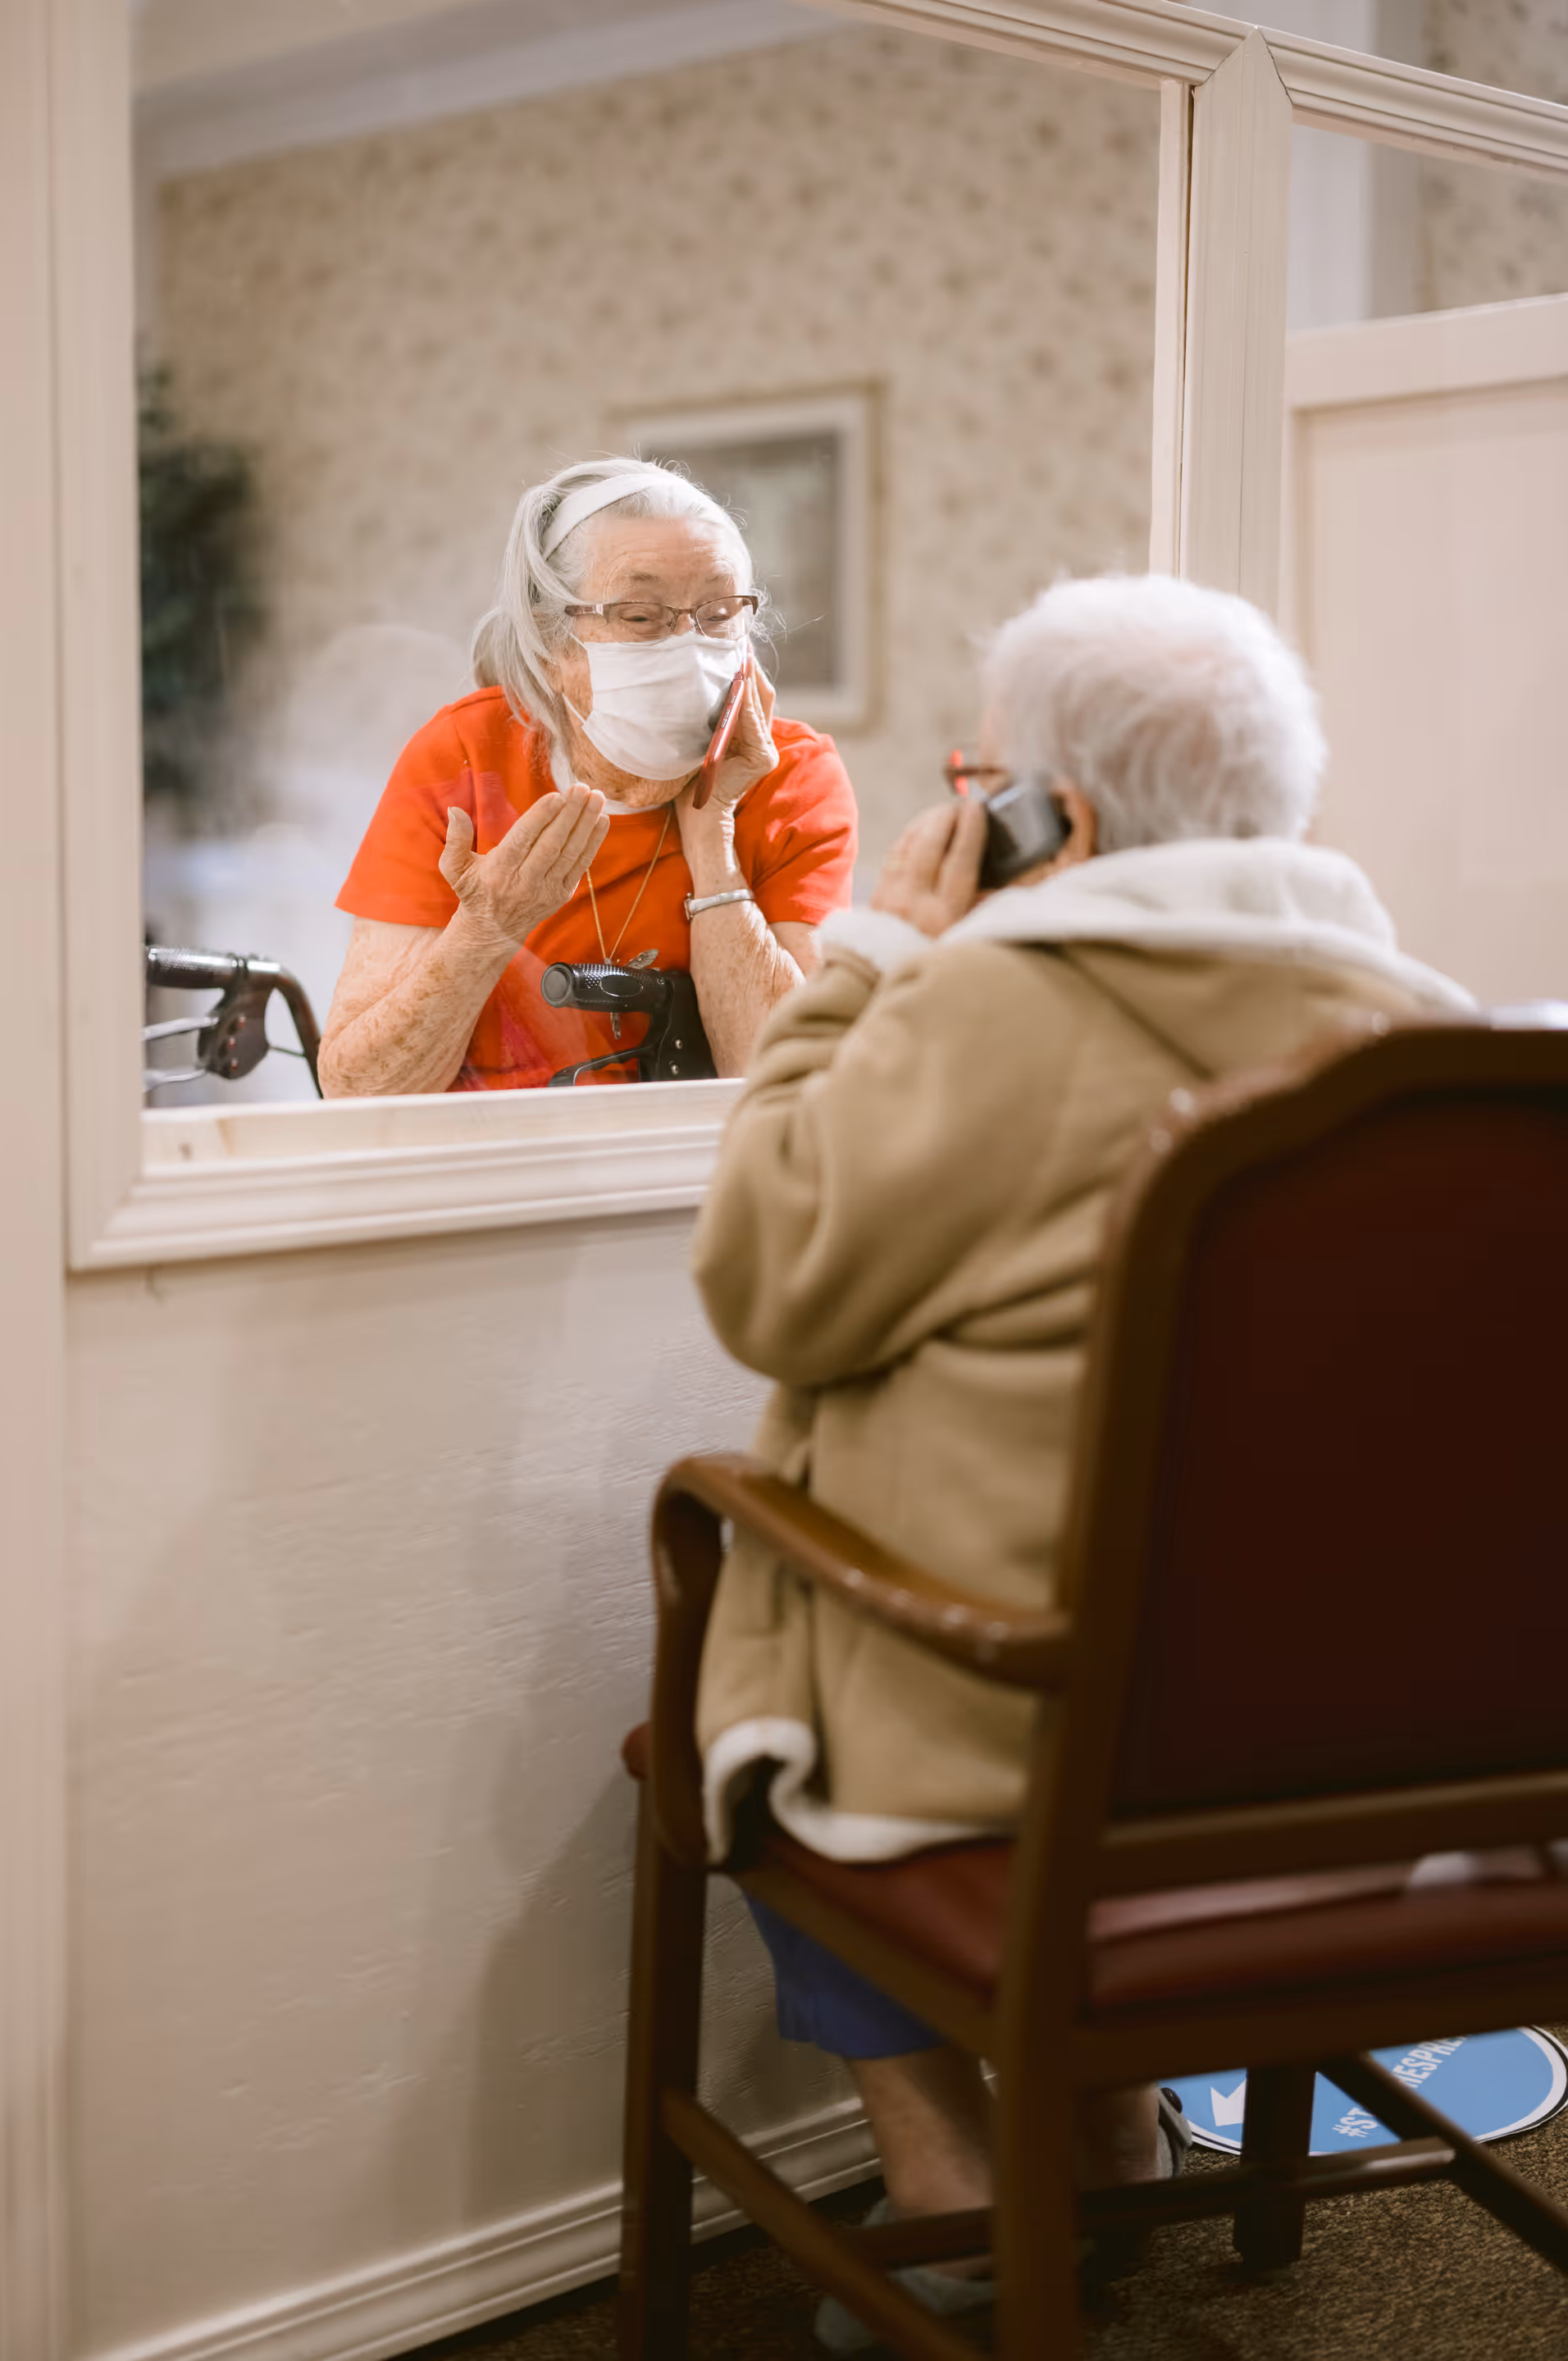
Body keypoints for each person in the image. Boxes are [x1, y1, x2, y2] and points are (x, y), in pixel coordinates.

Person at [688, 572, 1475, 2348]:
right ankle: (1115, 2109)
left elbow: (763, 1277)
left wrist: (875, 954)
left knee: (749, 1594)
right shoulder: (1442, 1042)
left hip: (1040, 1742)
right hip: (1377, 1743)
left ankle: (948, 2165)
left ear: (1064, 812)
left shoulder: (992, 1018)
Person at [319, 458, 857, 1094]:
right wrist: (485, 932)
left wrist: (713, 838)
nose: (687, 644)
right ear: (550, 647)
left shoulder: (789, 773)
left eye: (717, 613)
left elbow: (792, 1087)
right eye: (640, 616)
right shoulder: (464, 755)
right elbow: (359, 1089)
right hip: (487, 1167)